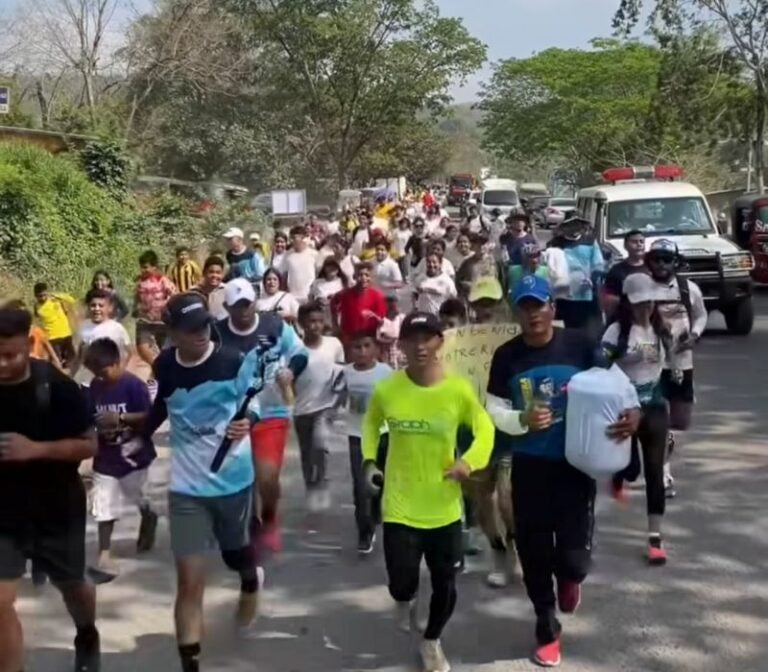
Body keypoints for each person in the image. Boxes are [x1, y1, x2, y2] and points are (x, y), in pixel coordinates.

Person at [485, 275, 640, 667]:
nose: (533, 313)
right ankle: (545, 625)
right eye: (525, 306)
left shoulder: (579, 345)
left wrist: (633, 412)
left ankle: (570, 581)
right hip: (529, 467)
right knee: (534, 550)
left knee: (573, 560)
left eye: (539, 305)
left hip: (575, 466)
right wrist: (521, 419)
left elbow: (619, 384)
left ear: (552, 308)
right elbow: (493, 408)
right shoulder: (506, 356)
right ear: (516, 312)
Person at [362, 312, 494, 672]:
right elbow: (372, 424)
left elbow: (485, 431)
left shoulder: (457, 390)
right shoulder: (388, 389)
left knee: (446, 585)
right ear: (400, 344)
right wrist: (370, 461)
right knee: (401, 583)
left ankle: (432, 641)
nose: (420, 346)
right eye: (412, 339)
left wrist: (469, 462)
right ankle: (405, 598)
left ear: (440, 342)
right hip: (400, 505)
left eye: (428, 338)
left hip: (444, 507)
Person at [145, 293, 264, 672]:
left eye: (204, 326)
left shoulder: (232, 360)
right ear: (172, 333)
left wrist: (249, 423)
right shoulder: (165, 364)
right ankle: (190, 666)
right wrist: (137, 433)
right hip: (187, 488)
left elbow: (256, 402)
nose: (201, 334)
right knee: (189, 583)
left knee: (234, 555)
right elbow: (161, 405)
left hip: (232, 482)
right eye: (190, 329)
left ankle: (250, 580)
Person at [0, 307, 100, 672]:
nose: (1, 364)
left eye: (9, 355)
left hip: (57, 506)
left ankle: (87, 632)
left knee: (73, 586)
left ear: (29, 344)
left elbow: (89, 446)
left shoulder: (56, 387)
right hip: (5, 513)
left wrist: (35, 450)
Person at [216, 278, 308, 554]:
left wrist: (291, 370)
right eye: (237, 306)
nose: (244, 311)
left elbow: (300, 353)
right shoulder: (216, 333)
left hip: (271, 410)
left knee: (267, 476)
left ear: (255, 301)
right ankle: (250, 522)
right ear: (226, 307)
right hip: (234, 415)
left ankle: (269, 518)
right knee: (239, 477)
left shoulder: (274, 325)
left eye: (247, 304)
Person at [602, 274, 671, 565]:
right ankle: (619, 476)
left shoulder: (660, 329)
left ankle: (655, 538)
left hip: (654, 407)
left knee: (655, 472)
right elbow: (600, 366)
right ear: (628, 302)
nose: (647, 308)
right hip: (625, 409)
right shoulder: (617, 332)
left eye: (650, 302)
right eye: (640, 302)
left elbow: (669, 365)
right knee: (630, 469)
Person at [84, 338, 158, 582]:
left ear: (117, 363)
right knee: (102, 504)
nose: (100, 377)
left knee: (137, 495)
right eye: (96, 373)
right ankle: (104, 554)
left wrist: (121, 418)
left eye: (104, 371)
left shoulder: (133, 386)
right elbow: (88, 417)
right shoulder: (94, 386)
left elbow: (149, 417)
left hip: (133, 455)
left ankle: (148, 515)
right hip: (106, 457)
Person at [644, 239, 707, 498]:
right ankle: (663, 472)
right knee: (658, 419)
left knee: (679, 421)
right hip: (651, 365)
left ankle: (665, 440)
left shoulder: (687, 288)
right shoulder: (641, 289)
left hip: (681, 362)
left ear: (675, 262)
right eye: (656, 258)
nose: (661, 264)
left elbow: (701, 315)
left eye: (666, 259)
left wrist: (694, 333)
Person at [343, 331, 393, 553]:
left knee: (379, 480)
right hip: (357, 436)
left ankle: (376, 509)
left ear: (376, 349)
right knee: (360, 485)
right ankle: (365, 531)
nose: (362, 351)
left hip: (384, 435)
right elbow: (335, 396)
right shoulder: (345, 374)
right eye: (357, 347)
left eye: (366, 346)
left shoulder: (386, 372)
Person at [293, 302, 345, 510]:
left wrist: (340, 396)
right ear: (302, 324)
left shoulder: (334, 344)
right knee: (306, 452)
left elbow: (341, 370)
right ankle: (311, 484)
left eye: (319, 321)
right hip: (302, 408)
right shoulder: (295, 349)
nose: (315, 326)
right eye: (310, 322)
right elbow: (287, 380)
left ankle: (322, 480)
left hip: (326, 406)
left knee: (320, 444)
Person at [548, 218, 605, 332]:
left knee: (590, 329)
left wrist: (592, 279)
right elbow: (551, 266)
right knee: (568, 328)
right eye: (570, 225)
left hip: (587, 293)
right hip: (564, 294)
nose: (574, 228)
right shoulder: (555, 243)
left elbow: (598, 263)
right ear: (563, 228)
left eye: (577, 225)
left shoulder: (590, 241)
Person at [73, 289, 132, 381]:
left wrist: (120, 371)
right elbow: (79, 355)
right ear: (88, 307)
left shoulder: (117, 328)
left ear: (109, 308)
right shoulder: (83, 327)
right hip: (87, 381)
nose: (97, 309)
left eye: (101, 306)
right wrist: (70, 376)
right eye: (93, 305)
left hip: (111, 381)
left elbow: (128, 352)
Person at [134, 250, 177, 367]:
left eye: (146, 267)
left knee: (165, 349)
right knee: (142, 347)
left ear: (154, 267)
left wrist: (167, 306)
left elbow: (174, 294)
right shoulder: (139, 281)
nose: (143, 270)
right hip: (144, 320)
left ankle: (163, 371)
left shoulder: (162, 280)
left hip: (161, 320)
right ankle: (157, 367)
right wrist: (135, 308)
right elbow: (136, 296)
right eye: (142, 267)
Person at [331, 262, 387, 349]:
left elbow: (381, 319)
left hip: (368, 338)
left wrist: (375, 319)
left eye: (367, 275)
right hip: (349, 337)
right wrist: (335, 325)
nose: (364, 278)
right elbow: (333, 303)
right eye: (360, 275)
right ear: (354, 277)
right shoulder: (344, 294)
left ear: (371, 277)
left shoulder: (377, 296)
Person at [602, 229, 648, 321]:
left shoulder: (652, 268)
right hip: (625, 320)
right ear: (625, 246)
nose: (639, 245)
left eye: (641, 242)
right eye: (634, 242)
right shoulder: (616, 271)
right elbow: (609, 300)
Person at [33, 282, 77, 369]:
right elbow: (37, 320)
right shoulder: (36, 307)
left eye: (44, 295)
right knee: (57, 362)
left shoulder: (55, 300)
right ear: (36, 296)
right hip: (52, 337)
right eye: (40, 296)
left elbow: (72, 300)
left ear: (47, 293)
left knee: (72, 361)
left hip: (66, 333)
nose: (42, 298)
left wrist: (58, 295)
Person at [284, 226, 318, 304]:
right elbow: (285, 275)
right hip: (292, 297)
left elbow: (318, 274)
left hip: (309, 296)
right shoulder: (287, 254)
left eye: (294, 237)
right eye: (291, 238)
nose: (292, 240)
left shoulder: (314, 254)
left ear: (303, 238)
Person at [191, 255, 228, 320]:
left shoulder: (227, 290)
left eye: (218, 272)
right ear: (204, 273)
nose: (214, 275)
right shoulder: (193, 292)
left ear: (222, 274)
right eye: (211, 272)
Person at [376, 294, 405, 369]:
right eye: (391, 306)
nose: (395, 308)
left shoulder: (401, 318)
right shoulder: (381, 321)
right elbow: (377, 338)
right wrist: (388, 341)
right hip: (386, 354)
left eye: (395, 305)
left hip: (399, 354)